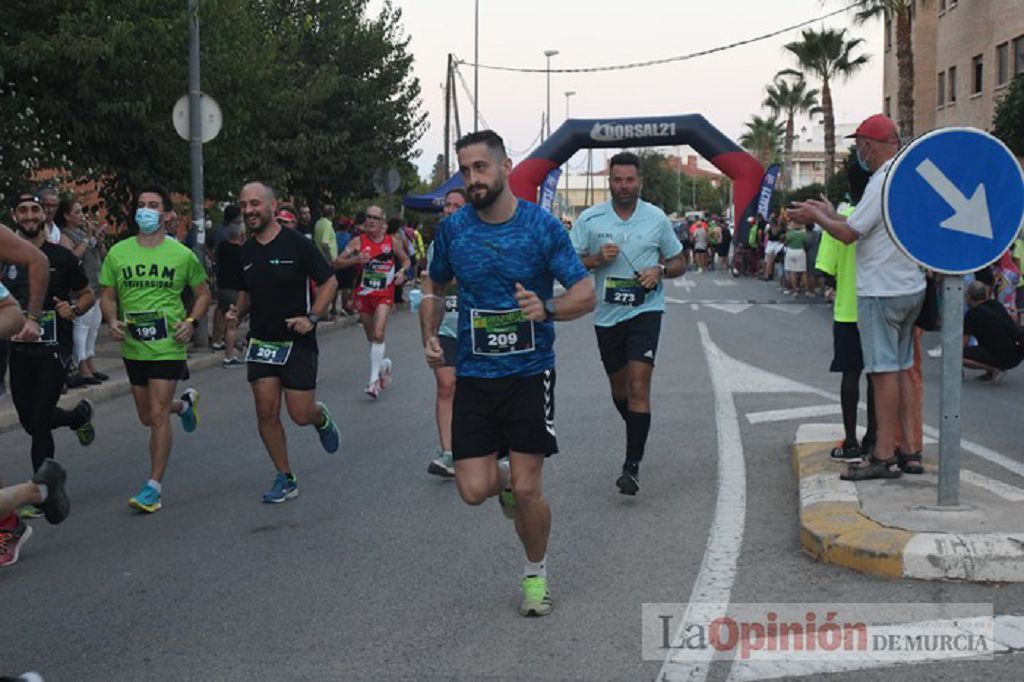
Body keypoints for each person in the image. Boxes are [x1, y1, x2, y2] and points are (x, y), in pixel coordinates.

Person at [424, 130, 595, 617]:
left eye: (481, 167)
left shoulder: (541, 227)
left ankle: (535, 573)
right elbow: (433, 281)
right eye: (466, 170)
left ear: (504, 166)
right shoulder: (454, 231)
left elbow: (585, 292)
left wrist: (547, 307)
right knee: (474, 490)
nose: (473, 178)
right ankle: (501, 486)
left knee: (527, 488)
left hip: (528, 374)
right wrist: (430, 331)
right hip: (476, 376)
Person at [790, 114, 926, 480]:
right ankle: (910, 450)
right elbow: (858, 225)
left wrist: (816, 218)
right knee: (902, 370)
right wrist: (826, 213)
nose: (859, 153)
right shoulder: (906, 177)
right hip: (909, 286)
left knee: (883, 374)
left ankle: (882, 455)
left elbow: (849, 233)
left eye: (861, 146)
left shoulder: (880, 181)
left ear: (869, 146)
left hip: (881, 290)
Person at [571, 152, 687, 495]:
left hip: (645, 311)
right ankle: (638, 426)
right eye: (618, 180)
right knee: (620, 390)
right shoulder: (590, 219)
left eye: (630, 180)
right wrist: (594, 259)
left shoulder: (656, 219)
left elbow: (680, 260)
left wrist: (660, 270)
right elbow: (567, 262)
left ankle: (631, 466)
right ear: (610, 181)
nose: (624, 186)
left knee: (638, 386)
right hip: (607, 317)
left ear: (640, 182)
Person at [99, 183, 211, 513]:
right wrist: (112, 319)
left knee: (158, 414)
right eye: (141, 203)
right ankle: (185, 405)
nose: (145, 210)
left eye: (152, 204)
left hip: (167, 345)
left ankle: (153, 487)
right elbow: (107, 295)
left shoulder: (181, 254)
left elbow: (203, 293)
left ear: (165, 214)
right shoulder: (119, 252)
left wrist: (190, 322)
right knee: (147, 415)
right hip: (134, 345)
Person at [227, 181, 340, 504]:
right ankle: (285, 475)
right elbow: (247, 291)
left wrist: (314, 317)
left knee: (300, 414)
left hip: (298, 341)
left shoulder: (297, 244)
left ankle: (322, 418)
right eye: (244, 204)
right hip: (262, 342)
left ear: (272, 206)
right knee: (266, 411)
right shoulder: (244, 251)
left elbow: (329, 281)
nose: (248, 210)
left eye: (255, 204)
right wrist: (238, 310)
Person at [6, 192, 96, 518]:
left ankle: (41, 490)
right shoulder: (7, 257)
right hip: (18, 349)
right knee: (29, 420)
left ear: (43, 215)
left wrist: (72, 309)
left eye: (35, 210)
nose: (30, 215)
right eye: (23, 210)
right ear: (15, 216)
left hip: (54, 348)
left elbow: (87, 295)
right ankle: (77, 417)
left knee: (41, 420)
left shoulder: (63, 256)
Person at [816, 158, 877, 462]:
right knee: (878, 376)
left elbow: (826, 271)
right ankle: (877, 439)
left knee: (850, 374)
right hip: (878, 307)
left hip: (848, 311)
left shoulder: (841, 221)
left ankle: (850, 440)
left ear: (851, 188)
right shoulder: (882, 215)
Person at [335, 205, 410, 399]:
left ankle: (373, 381)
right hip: (363, 295)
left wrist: (402, 272)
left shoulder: (392, 242)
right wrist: (355, 260)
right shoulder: (357, 242)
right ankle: (384, 365)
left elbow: (406, 260)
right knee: (372, 337)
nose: (371, 221)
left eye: (375, 218)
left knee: (378, 333)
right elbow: (336, 262)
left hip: (384, 294)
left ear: (383, 223)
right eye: (368, 217)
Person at [420, 187, 467, 477]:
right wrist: (429, 336)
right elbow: (431, 291)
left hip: (479, 327)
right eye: (447, 205)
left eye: (457, 206)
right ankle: (448, 453)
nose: (450, 210)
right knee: (446, 384)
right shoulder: (438, 244)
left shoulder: (481, 239)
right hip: (447, 326)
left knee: (474, 389)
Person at [54, 199, 108, 387]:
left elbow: (101, 254)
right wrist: (86, 239)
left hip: (95, 287)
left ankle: (90, 364)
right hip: (80, 291)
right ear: (67, 216)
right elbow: (73, 256)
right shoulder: (64, 235)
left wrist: (98, 238)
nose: (82, 216)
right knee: (82, 329)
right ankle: (81, 367)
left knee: (93, 329)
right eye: (77, 212)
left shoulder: (83, 232)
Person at [963, 280, 1024, 383]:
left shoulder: (972, 314)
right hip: (1017, 353)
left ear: (968, 297)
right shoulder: (996, 304)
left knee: (958, 356)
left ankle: (995, 369)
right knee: (991, 343)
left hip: (1004, 356)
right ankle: (990, 372)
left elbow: (963, 342)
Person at [215, 216, 246, 367]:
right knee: (233, 322)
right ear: (241, 235)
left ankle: (219, 341)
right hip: (235, 289)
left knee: (223, 316)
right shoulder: (241, 252)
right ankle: (229, 356)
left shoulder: (222, 248)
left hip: (222, 287)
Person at [783, 221, 808, 295]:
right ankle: (807, 290)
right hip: (800, 251)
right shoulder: (804, 234)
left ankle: (795, 290)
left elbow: (786, 242)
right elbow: (805, 243)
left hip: (790, 251)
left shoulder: (789, 233)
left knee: (792, 272)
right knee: (803, 272)